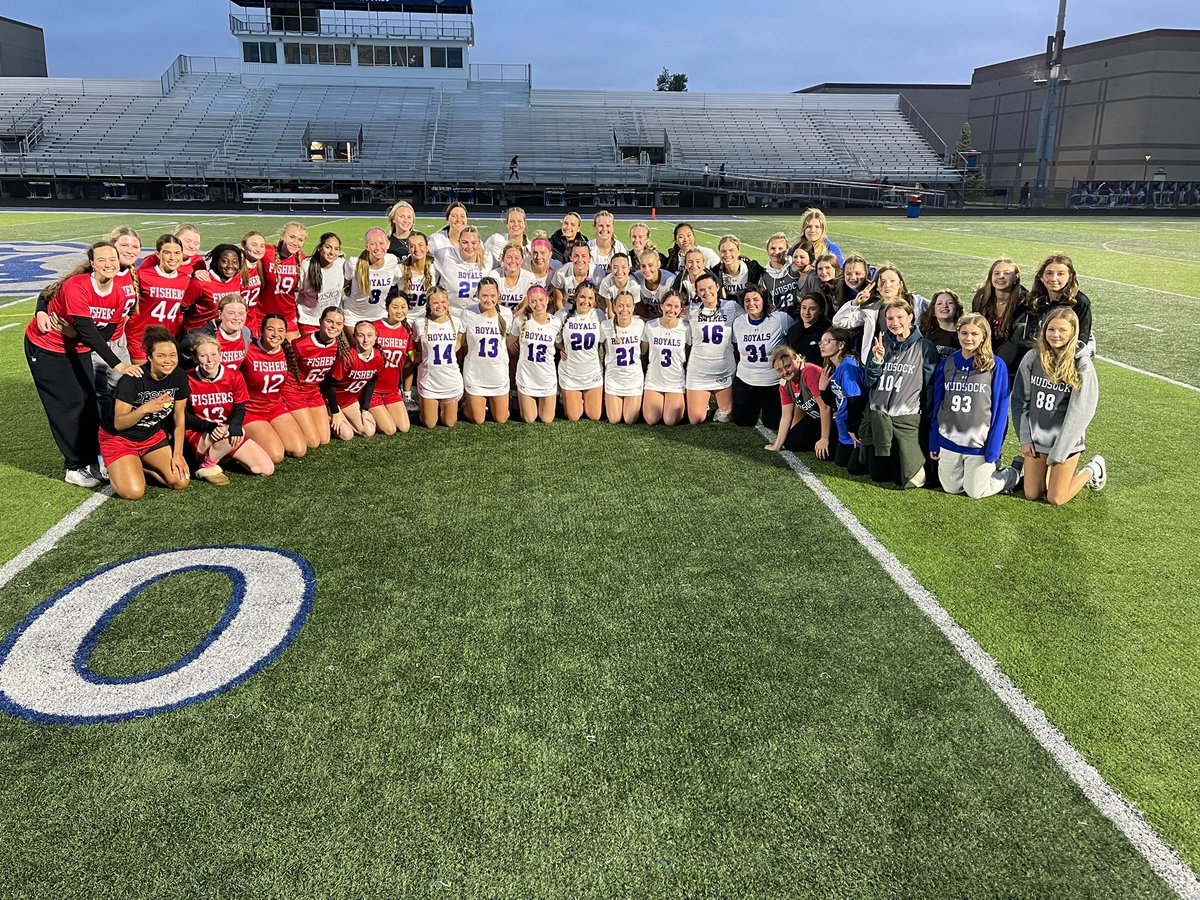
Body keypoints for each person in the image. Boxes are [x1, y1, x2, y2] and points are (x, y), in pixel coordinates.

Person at [26, 241, 143, 486]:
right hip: (48, 347)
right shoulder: (77, 285)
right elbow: (89, 332)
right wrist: (119, 365)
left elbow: (106, 335)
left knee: (89, 402)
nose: (108, 264)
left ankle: (90, 460)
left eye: (112, 259)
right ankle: (74, 467)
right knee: (69, 406)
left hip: (77, 347)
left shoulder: (119, 294)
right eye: (101, 259)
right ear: (92, 264)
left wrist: (73, 334)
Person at [1012, 308, 1105, 505]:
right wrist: (1025, 439)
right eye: (1051, 329)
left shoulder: (1082, 364)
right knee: (1032, 494)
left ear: (1073, 332)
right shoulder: (1032, 357)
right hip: (1037, 439)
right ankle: (1035, 469)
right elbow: (1020, 400)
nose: (1055, 335)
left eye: (1062, 330)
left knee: (1056, 498)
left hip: (1065, 442)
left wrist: (1059, 451)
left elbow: (1081, 412)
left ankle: (1093, 469)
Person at [929, 314, 1020, 498]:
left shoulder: (995, 365)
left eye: (974, 334)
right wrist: (934, 439)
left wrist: (993, 447)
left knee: (975, 492)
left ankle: (1014, 473)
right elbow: (938, 402)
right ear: (958, 333)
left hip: (978, 443)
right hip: (949, 439)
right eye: (964, 333)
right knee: (951, 488)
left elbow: (1000, 410)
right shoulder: (948, 362)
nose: (968, 338)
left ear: (984, 336)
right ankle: (984, 472)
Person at [852, 299, 939, 488]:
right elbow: (869, 380)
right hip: (878, 416)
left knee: (908, 480)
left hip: (905, 418)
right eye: (890, 318)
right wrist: (876, 361)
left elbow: (930, 386)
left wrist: (928, 418)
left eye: (900, 317)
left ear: (910, 317)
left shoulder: (925, 347)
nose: (895, 322)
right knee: (877, 476)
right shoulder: (881, 344)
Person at [100, 325, 190, 501]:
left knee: (181, 481)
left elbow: (179, 418)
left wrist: (178, 454)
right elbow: (119, 423)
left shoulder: (179, 376)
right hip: (120, 439)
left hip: (151, 437)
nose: (168, 361)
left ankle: (138, 466)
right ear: (149, 357)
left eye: (173, 355)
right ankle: (113, 466)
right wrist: (145, 409)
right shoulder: (132, 380)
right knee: (134, 493)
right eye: (161, 356)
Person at [185, 333, 274, 482]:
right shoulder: (187, 378)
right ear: (195, 358)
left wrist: (235, 425)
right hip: (201, 433)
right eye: (203, 355)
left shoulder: (234, 376)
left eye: (213, 354)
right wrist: (208, 426)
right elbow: (182, 415)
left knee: (266, 468)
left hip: (226, 432)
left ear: (220, 354)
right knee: (229, 434)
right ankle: (207, 465)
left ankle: (221, 455)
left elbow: (240, 408)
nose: (209, 360)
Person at [240, 313, 308, 462]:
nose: (276, 334)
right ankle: (242, 439)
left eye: (281, 330)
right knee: (276, 455)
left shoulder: (286, 352)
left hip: (275, 408)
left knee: (299, 450)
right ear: (262, 331)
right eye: (270, 329)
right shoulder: (248, 350)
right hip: (251, 411)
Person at [833, 263, 928, 362]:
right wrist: (855, 303)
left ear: (900, 285)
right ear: (877, 287)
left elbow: (939, 307)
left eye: (892, 281)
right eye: (882, 282)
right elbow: (839, 322)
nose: (887, 285)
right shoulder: (871, 309)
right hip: (877, 363)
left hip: (907, 363)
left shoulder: (916, 303)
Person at [283, 306, 346, 446]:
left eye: (338, 324)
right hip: (294, 392)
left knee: (324, 439)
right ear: (320, 321)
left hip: (313, 392)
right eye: (329, 321)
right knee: (313, 442)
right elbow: (283, 370)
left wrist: (335, 409)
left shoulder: (339, 348)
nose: (333, 326)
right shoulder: (300, 344)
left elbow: (330, 381)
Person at [731, 284, 792, 429]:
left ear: (764, 300)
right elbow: (736, 349)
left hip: (772, 381)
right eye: (747, 300)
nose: (751, 303)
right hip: (746, 379)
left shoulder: (780, 319)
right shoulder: (739, 322)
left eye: (755, 299)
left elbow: (795, 338)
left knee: (773, 423)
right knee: (742, 421)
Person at [685, 272, 743, 424]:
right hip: (698, 372)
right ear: (696, 292)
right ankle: (703, 405)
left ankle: (718, 406)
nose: (706, 292)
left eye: (710, 287)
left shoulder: (732, 307)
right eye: (701, 290)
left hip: (724, 370)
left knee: (726, 417)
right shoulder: (691, 310)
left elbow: (750, 317)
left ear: (717, 287)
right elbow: (671, 315)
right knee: (696, 419)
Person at [125, 234, 190, 365]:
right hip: (140, 338)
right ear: (158, 254)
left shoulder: (187, 280)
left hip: (167, 340)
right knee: (142, 380)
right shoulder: (142, 275)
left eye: (177, 253)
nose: (173, 258)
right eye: (167, 253)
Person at [459, 277, 512, 425]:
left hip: (497, 374)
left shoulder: (507, 314)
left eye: (492, 296)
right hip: (476, 374)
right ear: (477, 295)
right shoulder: (468, 313)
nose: (489, 300)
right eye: (484, 296)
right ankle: (466, 403)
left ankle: (489, 403)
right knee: (478, 419)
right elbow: (460, 342)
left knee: (501, 418)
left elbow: (509, 340)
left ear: (499, 295)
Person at [508, 285, 563, 424]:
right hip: (527, 376)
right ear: (529, 303)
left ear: (548, 299)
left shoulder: (556, 322)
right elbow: (508, 342)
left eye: (541, 299)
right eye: (533, 301)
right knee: (529, 419)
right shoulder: (521, 321)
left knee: (547, 419)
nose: (538, 304)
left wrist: (563, 349)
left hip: (546, 377)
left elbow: (558, 342)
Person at [763, 345, 830, 457]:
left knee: (829, 453)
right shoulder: (784, 385)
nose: (785, 372)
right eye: (779, 370)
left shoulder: (809, 371)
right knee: (791, 443)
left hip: (835, 417)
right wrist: (777, 446)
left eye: (788, 366)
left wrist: (824, 438)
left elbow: (825, 407)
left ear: (797, 360)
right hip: (816, 417)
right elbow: (786, 416)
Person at [414, 288, 464, 428]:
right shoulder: (419, 324)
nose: (440, 306)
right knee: (429, 424)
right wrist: (414, 358)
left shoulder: (457, 322)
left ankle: (459, 403)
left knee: (450, 423)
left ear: (448, 302)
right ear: (428, 304)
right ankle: (426, 403)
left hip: (450, 379)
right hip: (429, 381)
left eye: (443, 301)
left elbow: (459, 344)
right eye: (435, 302)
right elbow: (414, 348)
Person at [325, 320, 384, 438]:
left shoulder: (379, 357)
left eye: (369, 335)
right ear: (354, 337)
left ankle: (344, 418)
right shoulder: (348, 356)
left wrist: (365, 409)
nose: (366, 340)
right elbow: (329, 384)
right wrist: (335, 411)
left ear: (376, 336)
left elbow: (371, 382)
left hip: (349, 400)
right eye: (361, 335)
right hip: (333, 400)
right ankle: (326, 416)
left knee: (368, 431)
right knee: (347, 435)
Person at [556, 281, 605, 421]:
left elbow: (604, 342)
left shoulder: (598, 315)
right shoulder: (563, 314)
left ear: (595, 300)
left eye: (590, 298)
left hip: (592, 373)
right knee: (574, 416)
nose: (586, 301)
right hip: (570, 374)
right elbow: (554, 338)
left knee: (594, 416)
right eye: (582, 297)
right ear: (575, 298)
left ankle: (583, 399)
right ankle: (568, 397)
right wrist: (561, 348)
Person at [971, 258, 1029, 375]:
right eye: (996, 273)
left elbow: (1017, 342)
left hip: (1012, 366)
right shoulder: (981, 299)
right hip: (983, 359)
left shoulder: (1026, 303)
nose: (1001, 276)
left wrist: (996, 365)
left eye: (1007, 273)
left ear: (1016, 277)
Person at [640, 290, 689, 426]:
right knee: (651, 419)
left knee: (670, 421)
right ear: (661, 306)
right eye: (668, 305)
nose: (671, 309)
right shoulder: (650, 326)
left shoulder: (686, 329)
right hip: (654, 381)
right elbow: (642, 352)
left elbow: (690, 354)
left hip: (675, 382)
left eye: (676, 307)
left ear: (681, 310)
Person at [820, 327, 866, 468]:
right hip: (843, 429)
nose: (822, 345)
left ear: (841, 345)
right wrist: (822, 388)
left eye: (827, 341)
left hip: (854, 428)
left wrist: (853, 429)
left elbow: (856, 401)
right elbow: (833, 402)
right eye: (821, 342)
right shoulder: (833, 366)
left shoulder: (848, 367)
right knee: (839, 461)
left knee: (853, 468)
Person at [369, 291, 413, 436]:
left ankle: (381, 412)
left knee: (404, 427)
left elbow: (412, 355)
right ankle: (365, 410)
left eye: (403, 307)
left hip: (392, 391)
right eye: (395, 307)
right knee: (390, 429)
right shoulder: (375, 327)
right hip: (373, 390)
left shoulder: (407, 331)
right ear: (387, 307)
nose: (399, 311)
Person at [1026, 252, 1093, 347]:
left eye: (1060, 274)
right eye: (1049, 273)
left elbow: (1082, 337)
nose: (1054, 278)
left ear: (1070, 277)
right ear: (1041, 277)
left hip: (1070, 353)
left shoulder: (1079, 302)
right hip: (1041, 350)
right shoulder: (1037, 299)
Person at [342, 228, 401, 331]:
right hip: (354, 316)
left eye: (381, 243)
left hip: (380, 316)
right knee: (358, 346)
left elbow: (396, 281)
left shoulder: (392, 261)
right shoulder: (354, 264)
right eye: (373, 244)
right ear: (367, 246)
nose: (378, 247)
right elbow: (342, 284)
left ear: (388, 245)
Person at [602, 291, 646, 425]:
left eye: (628, 305)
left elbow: (643, 350)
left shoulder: (640, 325)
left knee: (629, 420)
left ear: (633, 307)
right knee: (614, 419)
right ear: (614, 307)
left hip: (633, 379)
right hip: (613, 379)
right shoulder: (605, 325)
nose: (624, 309)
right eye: (620, 306)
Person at [183, 245, 244, 338]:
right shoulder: (200, 282)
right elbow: (182, 307)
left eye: (235, 262)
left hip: (224, 333)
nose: (230, 265)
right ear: (215, 262)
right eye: (224, 261)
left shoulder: (237, 278)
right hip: (199, 334)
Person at [260, 222, 307, 338]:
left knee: (291, 354)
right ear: (282, 236)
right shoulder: (266, 252)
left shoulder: (301, 258)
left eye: (300, 240)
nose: (295, 243)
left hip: (288, 315)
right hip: (262, 314)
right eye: (292, 237)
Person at [434, 225, 489, 316]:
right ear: (458, 243)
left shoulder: (488, 259)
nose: (469, 246)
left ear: (479, 244)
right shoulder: (444, 255)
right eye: (465, 242)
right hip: (450, 314)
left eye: (473, 243)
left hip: (476, 314)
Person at [296, 232, 344, 336]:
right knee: (313, 350)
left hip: (332, 321)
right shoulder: (306, 266)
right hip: (309, 321)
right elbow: (296, 289)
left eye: (336, 248)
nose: (332, 252)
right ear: (319, 248)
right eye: (328, 247)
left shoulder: (341, 264)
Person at [397, 231, 439, 319]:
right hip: (404, 319)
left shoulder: (435, 268)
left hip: (426, 319)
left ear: (427, 248)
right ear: (408, 249)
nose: (417, 249)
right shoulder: (399, 269)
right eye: (412, 246)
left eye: (420, 245)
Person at [713, 235, 765, 305]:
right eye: (723, 251)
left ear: (738, 252)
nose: (727, 254)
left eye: (731, 250)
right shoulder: (715, 272)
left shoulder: (752, 268)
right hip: (727, 312)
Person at [761, 232, 801, 316]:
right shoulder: (764, 275)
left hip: (801, 317)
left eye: (780, 248)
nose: (776, 252)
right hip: (780, 320)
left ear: (787, 250)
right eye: (772, 248)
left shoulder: (795, 266)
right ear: (767, 250)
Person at [786, 293, 831, 366]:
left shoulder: (827, 332)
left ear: (821, 310)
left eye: (812, 309)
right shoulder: (793, 330)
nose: (807, 313)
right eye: (804, 308)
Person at [491, 242, 538, 311]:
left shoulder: (530, 278)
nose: (513, 261)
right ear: (503, 258)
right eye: (509, 257)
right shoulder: (494, 276)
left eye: (517, 258)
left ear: (522, 260)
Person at [550, 243, 596, 312]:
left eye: (584, 256)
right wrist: (563, 318)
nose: (580, 260)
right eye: (576, 256)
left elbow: (598, 302)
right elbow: (558, 301)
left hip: (589, 312)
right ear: (570, 257)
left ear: (589, 257)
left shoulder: (597, 273)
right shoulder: (561, 273)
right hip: (567, 310)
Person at [239, 230, 268, 337]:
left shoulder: (259, 265)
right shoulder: (235, 267)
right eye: (254, 245)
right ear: (243, 246)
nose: (259, 249)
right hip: (236, 321)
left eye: (262, 246)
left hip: (252, 321)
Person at [919, 290, 964, 358]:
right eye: (939, 303)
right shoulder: (924, 334)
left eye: (950, 303)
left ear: (957, 309)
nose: (944, 306)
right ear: (933, 311)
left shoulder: (964, 334)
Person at [634, 248, 675, 318]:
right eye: (643, 266)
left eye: (650, 265)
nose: (647, 270)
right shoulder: (636, 278)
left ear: (658, 264)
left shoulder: (670, 280)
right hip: (646, 320)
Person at [598, 252, 642, 317]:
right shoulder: (606, 282)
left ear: (628, 269)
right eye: (615, 267)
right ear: (611, 269)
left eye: (623, 267)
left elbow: (633, 311)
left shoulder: (634, 285)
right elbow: (610, 310)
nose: (619, 271)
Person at [588, 210, 628, 282]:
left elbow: (627, 272)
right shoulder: (588, 247)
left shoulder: (620, 248)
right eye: (600, 226)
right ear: (595, 227)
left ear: (613, 228)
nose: (604, 229)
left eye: (608, 226)